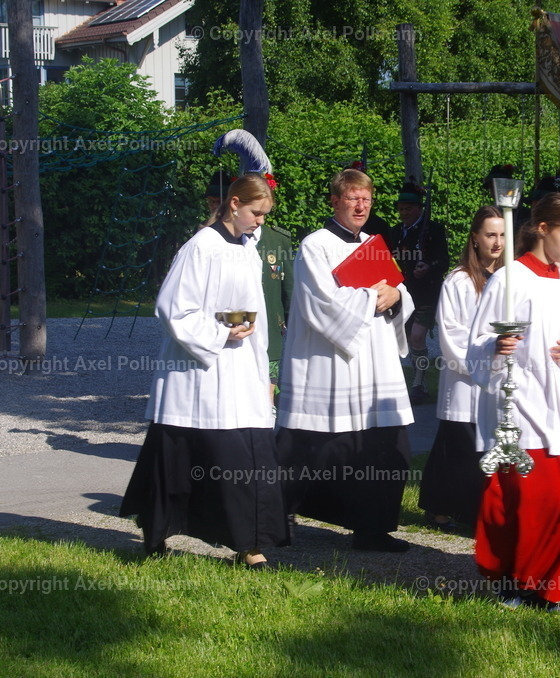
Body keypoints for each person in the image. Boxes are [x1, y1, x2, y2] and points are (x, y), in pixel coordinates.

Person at [119, 173, 287, 569]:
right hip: (198, 373)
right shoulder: (200, 247)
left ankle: (250, 544)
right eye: (256, 213)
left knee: (247, 457)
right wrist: (219, 332)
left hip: (241, 369)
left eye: (265, 214)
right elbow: (172, 307)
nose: (261, 221)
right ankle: (157, 533)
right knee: (181, 455)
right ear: (233, 204)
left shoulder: (247, 246)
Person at [468, 192, 560, 613]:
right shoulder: (510, 281)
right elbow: (477, 343)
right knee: (529, 498)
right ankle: (518, 582)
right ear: (542, 229)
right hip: (527, 408)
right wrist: (498, 345)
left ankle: (554, 588)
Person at [275, 168, 415, 553]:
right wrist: (373, 298)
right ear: (335, 201)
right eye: (353, 197)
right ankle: (274, 520)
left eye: (367, 198)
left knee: (385, 446)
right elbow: (320, 304)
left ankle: (372, 528)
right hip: (329, 364)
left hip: (375, 365)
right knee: (310, 447)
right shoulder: (314, 245)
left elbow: (397, 287)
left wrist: (398, 298)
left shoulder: (373, 243)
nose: (361, 205)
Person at [418, 206, 505, 530]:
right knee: (458, 446)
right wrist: (482, 361)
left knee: (488, 445)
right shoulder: (458, 281)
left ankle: (478, 511)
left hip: (499, 378)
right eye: (490, 235)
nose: (497, 242)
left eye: (501, 235)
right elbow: (450, 332)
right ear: (475, 238)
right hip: (466, 378)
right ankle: (444, 508)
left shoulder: (510, 279)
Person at [388, 180, 450, 404]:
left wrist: (429, 267)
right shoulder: (395, 232)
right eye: (401, 209)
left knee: (416, 336)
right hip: (404, 293)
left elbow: (443, 260)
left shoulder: (433, 230)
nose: (404, 213)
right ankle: (417, 378)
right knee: (408, 340)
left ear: (419, 209)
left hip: (427, 293)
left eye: (408, 209)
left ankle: (419, 382)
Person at [256, 173, 294, 407]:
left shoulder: (277, 240)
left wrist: (290, 321)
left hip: (272, 329)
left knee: (268, 395)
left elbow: (288, 285)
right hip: (240, 329)